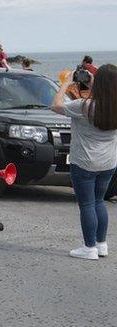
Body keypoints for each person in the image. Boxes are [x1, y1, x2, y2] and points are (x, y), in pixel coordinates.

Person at [51, 65, 117, 260]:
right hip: (108, 162)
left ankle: (89, 248)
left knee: (87, 204)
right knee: (99, 201)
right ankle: (101, 244)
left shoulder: (84, 106)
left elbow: (55, 105)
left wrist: (66, 84)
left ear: (100, 83)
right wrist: (92, 81)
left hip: (85, 162)